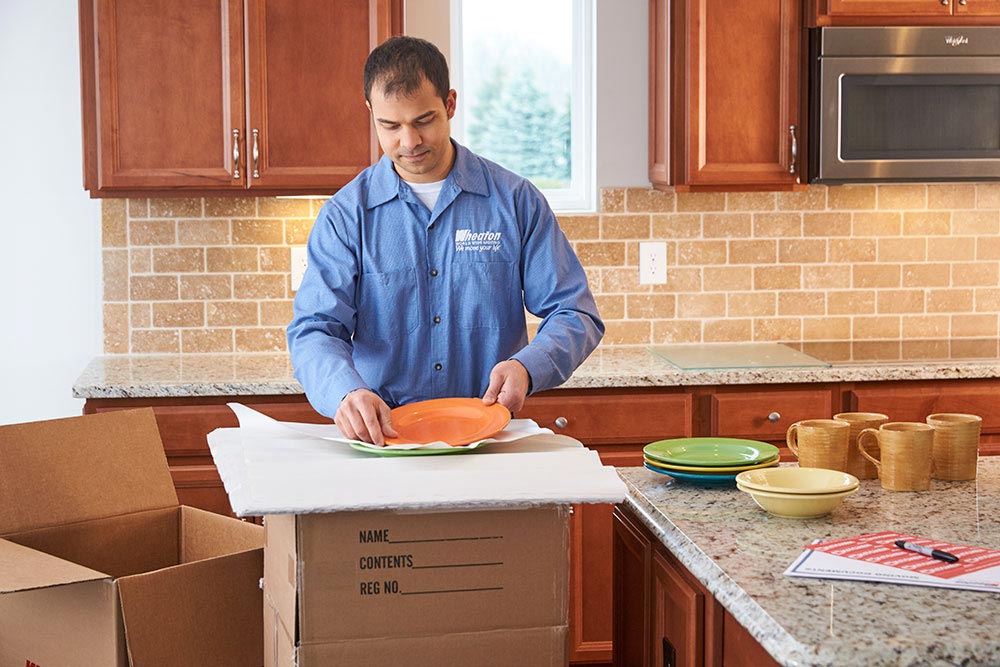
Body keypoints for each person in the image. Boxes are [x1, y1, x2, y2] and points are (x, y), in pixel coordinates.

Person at [287, 35, 603, 445]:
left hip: (488, 441)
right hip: (385, 444)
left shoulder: (516, 201)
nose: (409, 142)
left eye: (423, 120)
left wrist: (528, 366)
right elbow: (315, 329)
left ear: (450, 104)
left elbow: (575, 313)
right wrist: (346, 392)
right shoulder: (346, 216)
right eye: (390, 126)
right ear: (370, 113)